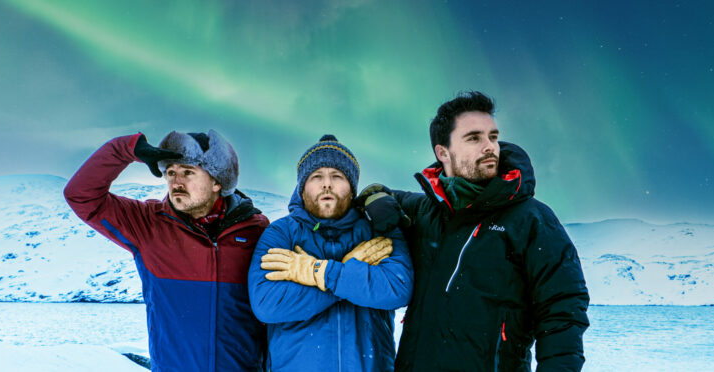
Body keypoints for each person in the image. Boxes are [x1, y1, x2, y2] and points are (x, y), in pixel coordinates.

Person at [359, 91, 590, 371]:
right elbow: (378, 193)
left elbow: (563, 310)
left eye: (492, 136)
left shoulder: (531, 219)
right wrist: (374, 197)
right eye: (474, 138)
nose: (490, 146)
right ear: (442, 152)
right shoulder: (424, 211)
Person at [64, 131, 268, 372]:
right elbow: (81, 196)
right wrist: (126, 149)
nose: (176, 182)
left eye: (188, 172)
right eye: (171, 173)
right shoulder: (148, 225)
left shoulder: (256, 229)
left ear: (217, 182)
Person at [247, 135, 414, 371]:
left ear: (352, 187)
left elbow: (396, 288)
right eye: (316, 177)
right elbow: (267, 302)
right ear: (302, 188)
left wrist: (319, 272)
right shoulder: (281, 233)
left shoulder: (378, 227)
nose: (327, 184)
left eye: (337, 176)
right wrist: (347, 271)